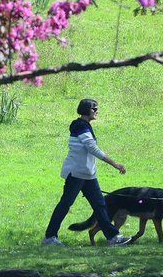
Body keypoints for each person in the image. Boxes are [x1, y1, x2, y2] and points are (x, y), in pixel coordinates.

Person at [41, 98, 132, 246]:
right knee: (65, 204)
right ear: (85, 110)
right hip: (76, 174)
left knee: (100, 205)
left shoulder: (85, 125)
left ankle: (113, 238)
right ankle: (49, 237)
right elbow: (92, 148)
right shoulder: (80, 126)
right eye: (94, 109)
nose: (96, 111)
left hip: (88, 175)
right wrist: (115, 164)